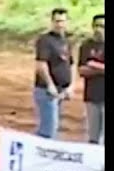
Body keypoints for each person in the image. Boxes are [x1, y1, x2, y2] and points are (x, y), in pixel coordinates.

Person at [33, 8, 74, 139]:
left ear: (67, 22)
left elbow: (70, 64)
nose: (59, 24)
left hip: (61, 90)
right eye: (57, 21)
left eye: (62, 21)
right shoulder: (45, 40)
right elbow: (41, 64)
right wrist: (50, 84)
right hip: (47, 90)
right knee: (48, 128)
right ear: (51, 22)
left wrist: (71, 85)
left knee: (54, 126)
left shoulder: (67, 41)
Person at [77, 13, 105, 144]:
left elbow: (88, 66)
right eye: (97, 26)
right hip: (92, 96)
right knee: (93, 136)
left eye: (103, 26)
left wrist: (93, 65)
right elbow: (81, 70)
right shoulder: (86, 46)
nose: (100, 29)